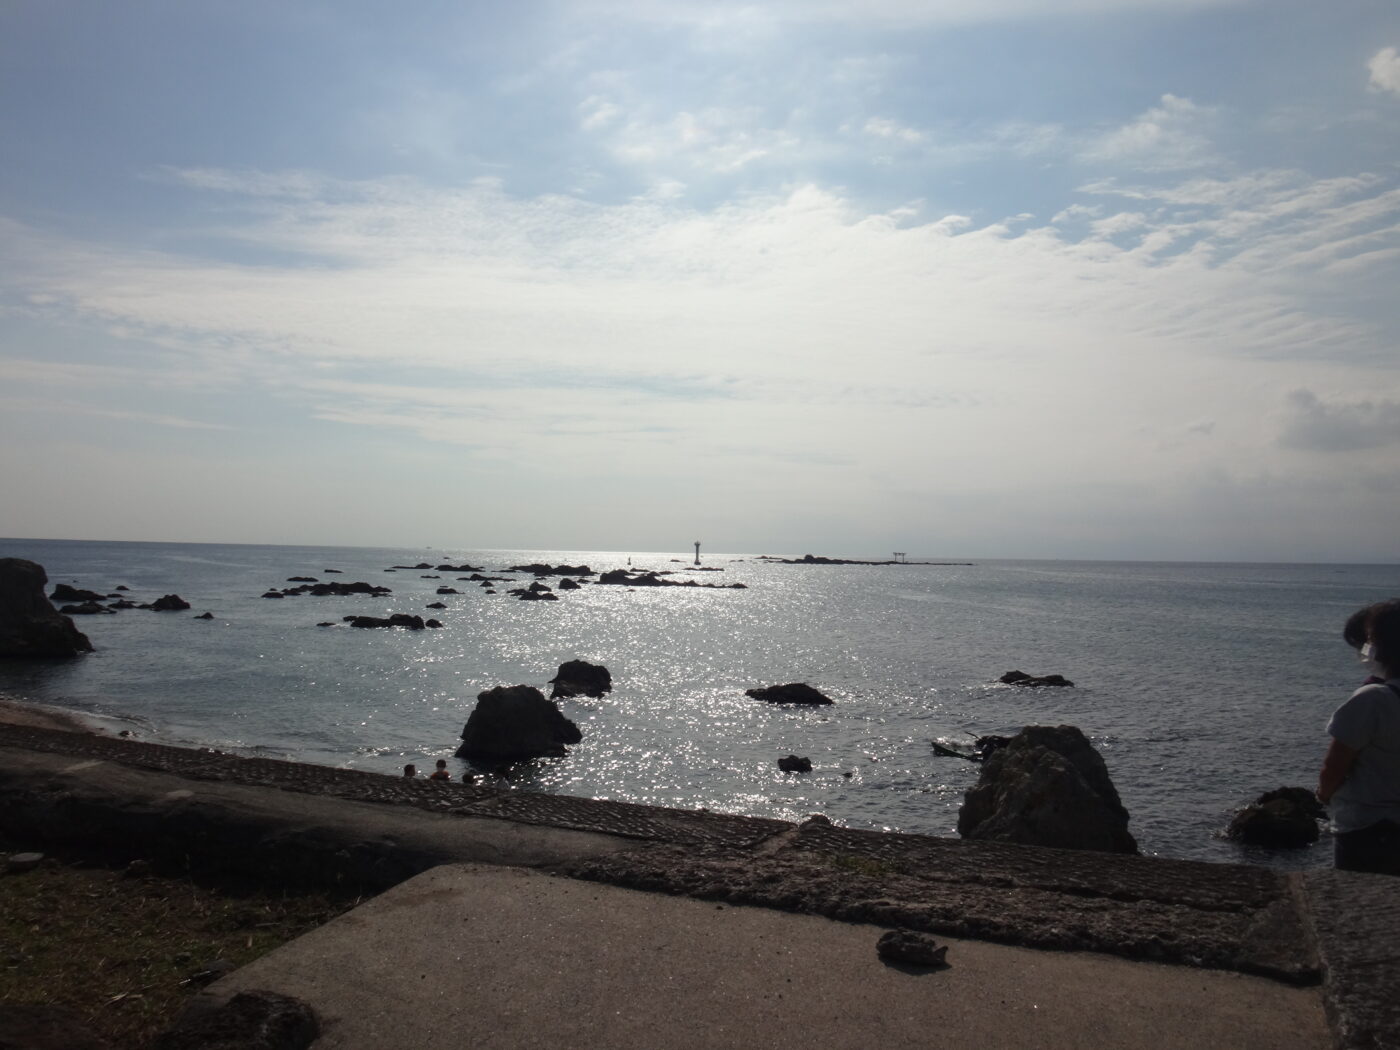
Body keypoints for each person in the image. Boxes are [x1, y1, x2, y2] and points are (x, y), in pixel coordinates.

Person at [1319, 600, 1400, 875]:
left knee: (1357, 904)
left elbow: (1334, 765)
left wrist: (1324, 795)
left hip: (1369, 826)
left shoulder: (1373, 700)